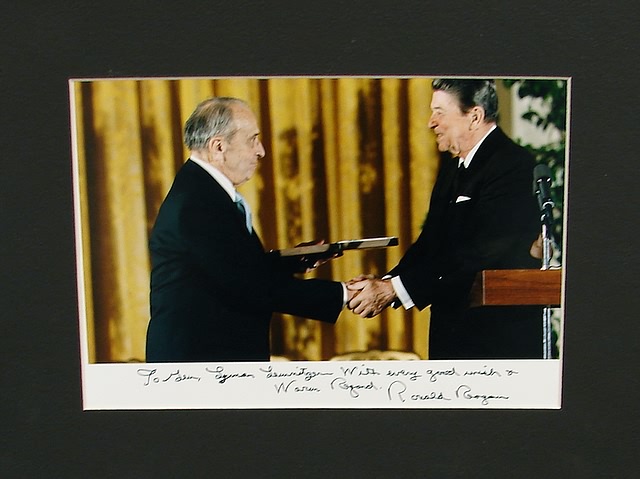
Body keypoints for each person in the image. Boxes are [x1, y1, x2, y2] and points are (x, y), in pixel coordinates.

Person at [348, 79, 543, 359]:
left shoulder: (513, 165)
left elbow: (478, 253)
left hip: (495, 344)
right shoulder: (454, 169)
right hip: (453, 336)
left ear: (474, 116)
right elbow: (430, 242)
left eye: (440, 112)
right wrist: (388, 282)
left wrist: (394, 289)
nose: (431, 122)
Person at [146, 97, 351, 362]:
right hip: (200, 364)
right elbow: (247, 285)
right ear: (218, 147)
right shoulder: (198, 202)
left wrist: (290, 261)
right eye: (252, 139)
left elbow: (228, 269)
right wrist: (345, 293)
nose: (261, 150)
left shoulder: (201, 191)